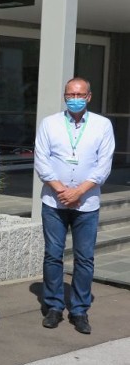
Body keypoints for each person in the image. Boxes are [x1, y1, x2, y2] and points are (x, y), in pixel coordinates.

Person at [35, 77, 114, 335]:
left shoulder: (103, 125)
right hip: (54, 202)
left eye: (80, 94)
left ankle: (79, 310)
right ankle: (54, 307)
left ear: (89, 97)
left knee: (84, 258)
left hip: (87, 203)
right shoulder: (50, 124)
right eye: (70, 94)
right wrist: (61, 190)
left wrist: (79, 191)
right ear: (64, 96)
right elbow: (42, 160)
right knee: (53, 255)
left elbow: (104, 164)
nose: (75, 98)